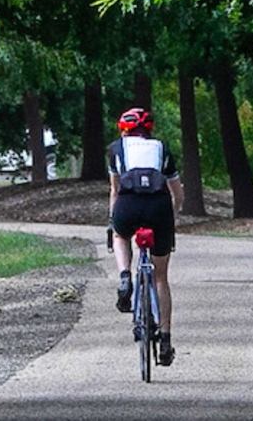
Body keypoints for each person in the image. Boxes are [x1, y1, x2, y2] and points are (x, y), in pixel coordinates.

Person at [108, 107, 182, 366]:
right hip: (159, 209)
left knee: (119, 236)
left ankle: (125, 276)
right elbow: (177, 194)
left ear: (124, 129)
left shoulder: (116, 149)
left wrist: (113, 219)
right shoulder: (162, 149)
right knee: (160, 278)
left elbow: (115, 191)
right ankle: (165, 339)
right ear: (149, 130)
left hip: (127, 207)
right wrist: (169, 217)